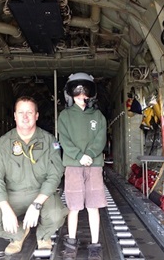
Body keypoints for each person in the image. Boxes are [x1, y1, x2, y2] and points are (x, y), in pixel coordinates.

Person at [0, 96, 68, 256]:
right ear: (15, 116)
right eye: (21, 112)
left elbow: (55, 174)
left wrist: (37, 204)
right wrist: (5, 210)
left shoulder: (49, 141)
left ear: (36, 116)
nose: (25, 117)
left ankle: (44, 235)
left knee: (57, 215)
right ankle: (18, 234)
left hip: (41, 193)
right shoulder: (3, 143)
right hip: (12, 195)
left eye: (29, 112)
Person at [57, 73, 107, 260]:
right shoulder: (65, 116)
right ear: (70, 94)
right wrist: (79, 156)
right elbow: (64, 139)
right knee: (74, 207)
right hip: (73, 165)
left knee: (94, 206)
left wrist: (90, 155)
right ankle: (71, 243)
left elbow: (101, 139)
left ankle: (95, 245)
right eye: (76, 91)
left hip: (93, 166)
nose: (81, 96)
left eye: (85, 91)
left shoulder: (98, 116)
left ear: (91, 93)